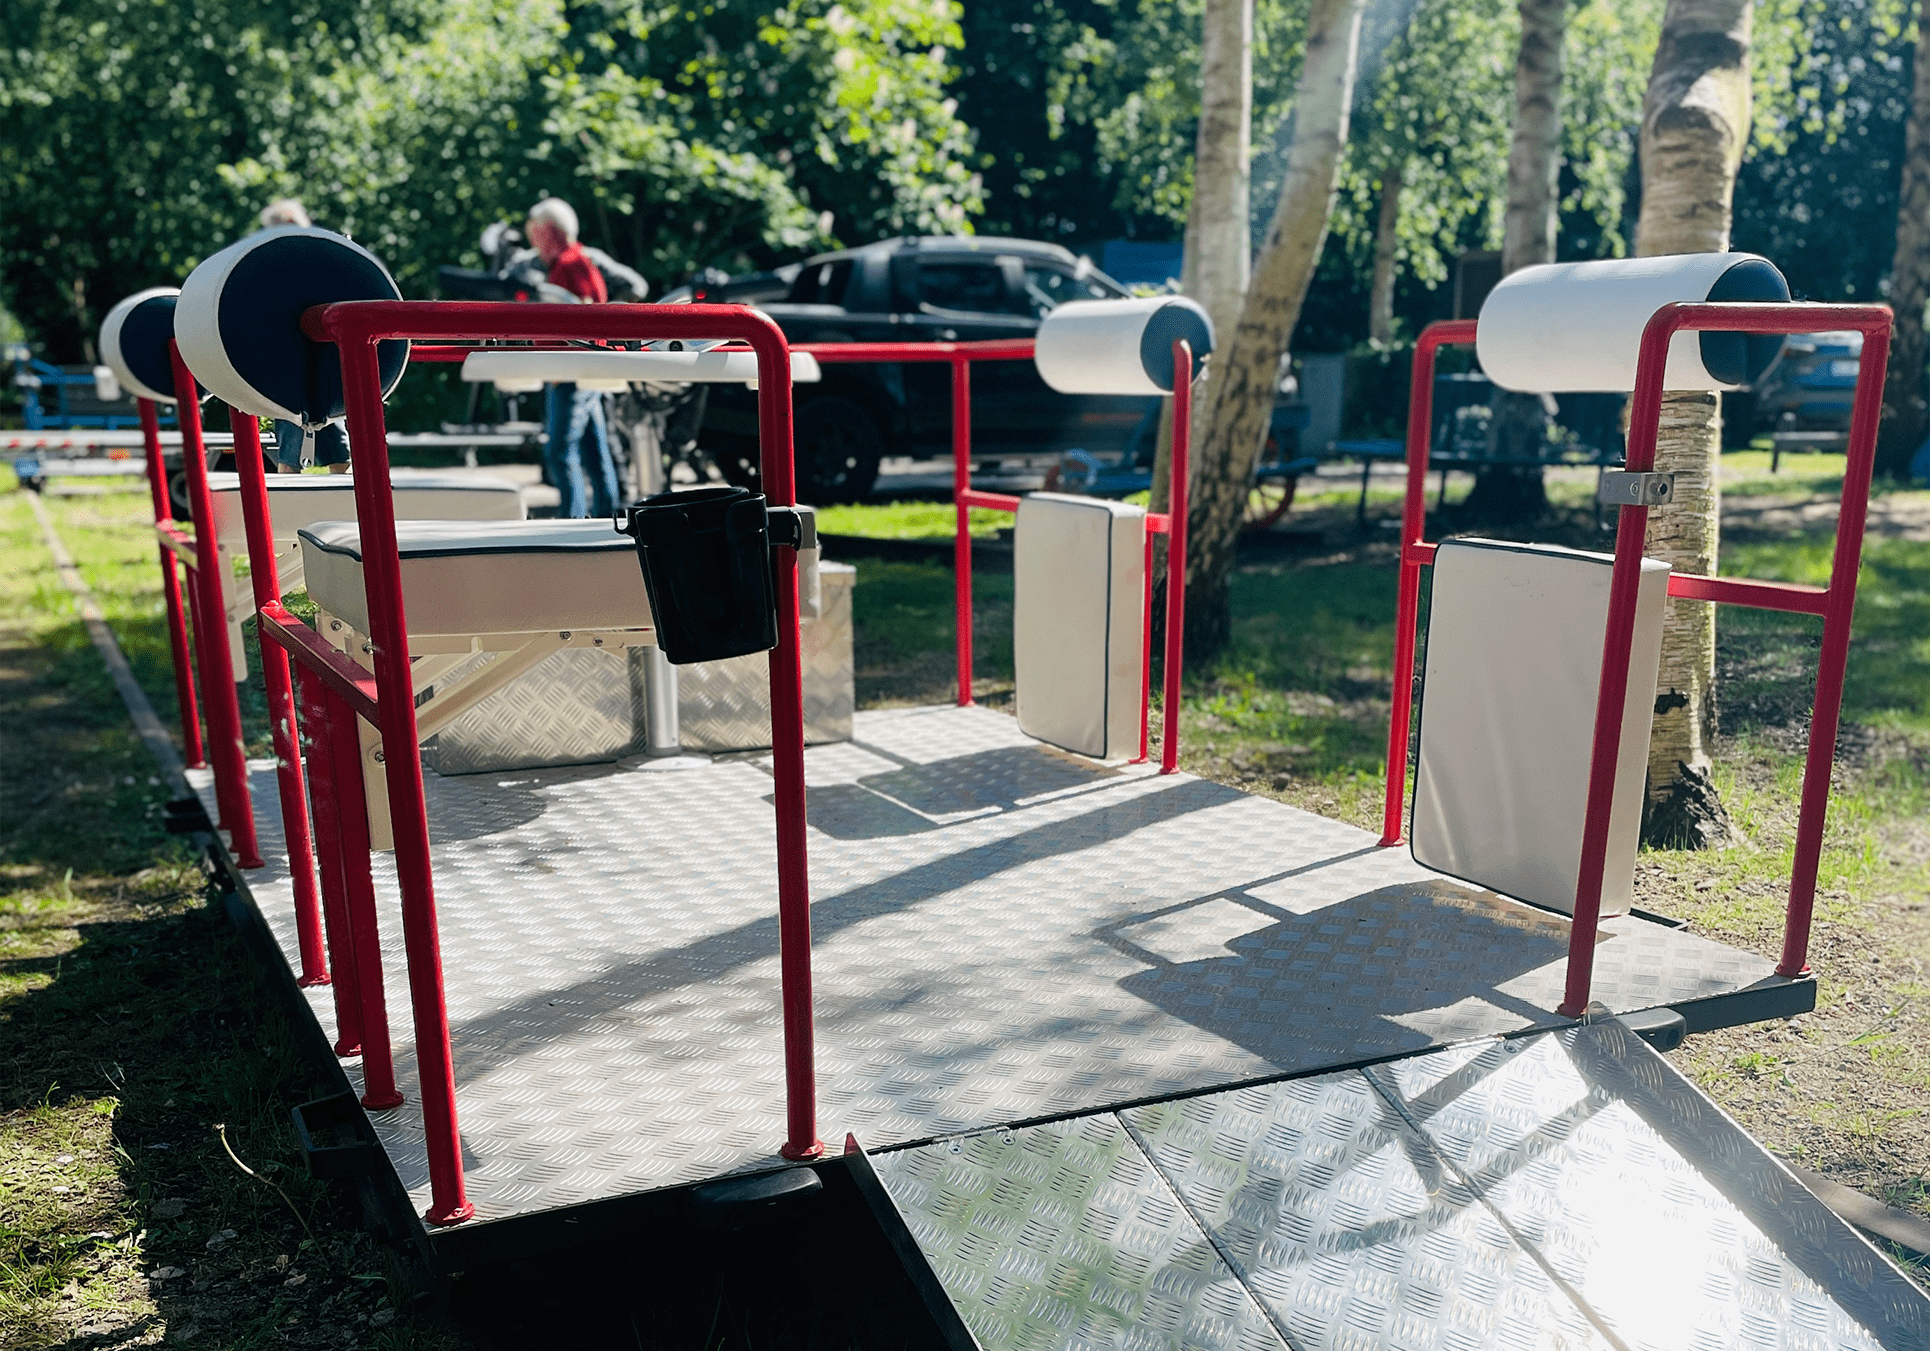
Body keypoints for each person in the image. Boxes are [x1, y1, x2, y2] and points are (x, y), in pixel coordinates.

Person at [526, 197, 619, 518]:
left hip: (571, 370)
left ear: (549, 232)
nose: (530, 239)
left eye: (534, 231)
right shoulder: (576, 262)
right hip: (582, 368)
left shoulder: (569, 264)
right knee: (594, 452)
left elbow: (585, 313)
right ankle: (607, 517)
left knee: (559, 452)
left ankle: (572, 518)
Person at [256, 199, 351, 472]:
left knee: (330, 437)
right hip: (300, 361)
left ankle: (338, 495)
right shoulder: (296, 258)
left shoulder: (283, 259)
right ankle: (300, 493)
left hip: (310, 359)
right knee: (297, 439)